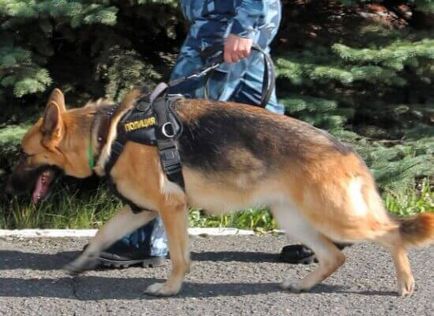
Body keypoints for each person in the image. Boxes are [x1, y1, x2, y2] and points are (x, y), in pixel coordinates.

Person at [96, 0, 318, 268]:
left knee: (169, 131)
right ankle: (316, 230)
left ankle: (144, 241)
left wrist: (243, 29)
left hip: (221, 33)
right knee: (273, 137)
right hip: (232, 30)